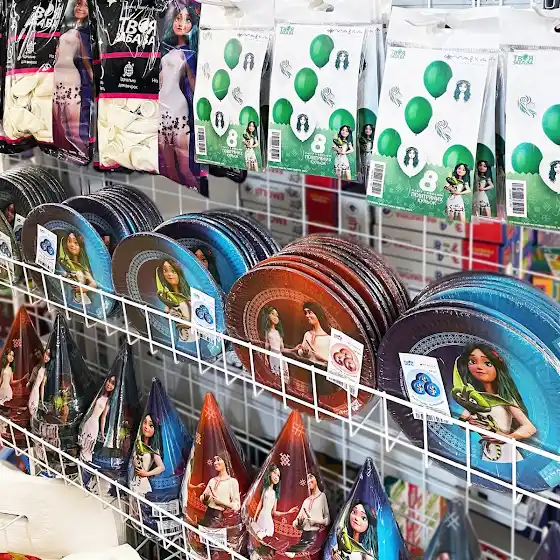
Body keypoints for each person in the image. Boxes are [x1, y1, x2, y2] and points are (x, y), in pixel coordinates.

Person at [456, 344, 536, 463]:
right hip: (488, 452)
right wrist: (470, 423)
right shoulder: (475, 398)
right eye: (472, 361)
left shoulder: (505, 399)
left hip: (508, 453)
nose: (479, 367)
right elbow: (462, 421)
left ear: (497, 367)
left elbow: (530, 428)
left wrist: (508, 438)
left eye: (487, 363)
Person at [159, 4, 199, 187]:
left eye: (187, 19)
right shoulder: (167, 50)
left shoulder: (188, 54)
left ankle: (194, 187)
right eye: (178, 18)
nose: (181, 23)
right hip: (161, 106)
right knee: (168, 164)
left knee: (183, 165)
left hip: (177, 106)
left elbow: (192, 79)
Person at [53, 0, 93, 156]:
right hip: (57, 76)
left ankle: (80, 150)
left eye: (85, 5)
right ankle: (64, 148)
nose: (80, 8)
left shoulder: (85, 33)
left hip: (71, 76)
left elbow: (85, 58)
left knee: (72, 118)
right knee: (58, 117)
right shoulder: (66, 27)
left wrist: (92, 78)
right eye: (78, 4)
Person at [285, 473, 330, 557]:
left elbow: (327, 520)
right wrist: (298, 523)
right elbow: (295, 523)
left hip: (314, 536)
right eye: (307, 479)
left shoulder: (322, 497)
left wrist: (315, 521)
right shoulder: (306, 501)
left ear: (317, 479)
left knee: (292, 551)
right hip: (304, 536)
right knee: (288, 551)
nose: (309, 481)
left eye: (311, 477)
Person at [250, 464, 298, 539]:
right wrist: (255, 516)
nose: (276, 477)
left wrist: (288, 512)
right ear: (270, 473)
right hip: (261, 518)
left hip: (268, 521)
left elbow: (274, 512)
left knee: (264, 537)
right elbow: (260, 503)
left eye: (278, 475)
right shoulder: (265, 488)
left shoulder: (275, 494)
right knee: (257, 535)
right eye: (275, 473)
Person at [79, 374, 116, 462]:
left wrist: (102, 432)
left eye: (113, 383)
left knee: (89, 444)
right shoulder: (99, 394)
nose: (109, 385)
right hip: (89, 420)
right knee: (83, 441)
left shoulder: (108, 401)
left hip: (95, 424)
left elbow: (103, 417)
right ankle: (80, 460)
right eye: (109, 381)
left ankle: (86, 462)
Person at [197, 453, 241, 527]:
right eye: (214, 460)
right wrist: (205, 498)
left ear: (226, 461)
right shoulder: (212, 480)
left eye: (218, 460)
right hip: (208, 515)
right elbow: (203, 499)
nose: (215, 463)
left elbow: (237, 505)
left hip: (220, 517)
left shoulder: (232, 482)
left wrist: (221, 502)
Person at [156, 258, 193, 342]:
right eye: (165, 270)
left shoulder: (189, 295)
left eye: (173, 271)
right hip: (178, 337)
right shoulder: (165, 295)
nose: (169, 274)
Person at [130, 414, 165, 497]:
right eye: (145, 422)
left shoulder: (153, 448)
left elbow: (161, 467)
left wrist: (146, 473)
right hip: (133, 477)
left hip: (142, 481)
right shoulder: (139, 441)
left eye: (150, 425)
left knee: (138, 500)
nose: (146, 427)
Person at [58, 232, 97, 304]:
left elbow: (94, 284)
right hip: (65, 293)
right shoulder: (64, 260)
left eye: (76, 243)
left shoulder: (83, 266)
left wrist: (81, 289)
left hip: (78, 297)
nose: (72, 245)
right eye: (69, 241)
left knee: (80, 274)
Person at [294, 302, 330, 366]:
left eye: (309, 312)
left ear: (317, 314)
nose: (307, 315)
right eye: (306, 313)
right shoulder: (307, 334)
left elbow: (333, 364)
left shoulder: (328, 338)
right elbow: (303, 355)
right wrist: (305, 352)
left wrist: (322, 359)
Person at [261, 306, 290, 382]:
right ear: (268, 315)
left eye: (276, 315)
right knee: (275, 377)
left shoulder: (278, 332)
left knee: (284, 378)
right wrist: (265, 356)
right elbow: (267, 343)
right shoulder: (267, 331)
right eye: (272, 314)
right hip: (273, 355)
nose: (275, 317)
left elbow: (282, 349)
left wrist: (294, 349)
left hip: (280, 355)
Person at [27, 349, 50, 419]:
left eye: (49, 356)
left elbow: (42, 386)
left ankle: (33, 421)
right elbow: (32, 378)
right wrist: (29, 382)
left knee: (33, 409)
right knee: (30, 407)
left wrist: (42, 402)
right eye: (46, 354)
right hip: (33, 390)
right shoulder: (38, 367)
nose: (46, 357)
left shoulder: (45, 371)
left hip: (36, 392)